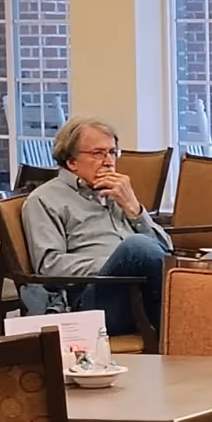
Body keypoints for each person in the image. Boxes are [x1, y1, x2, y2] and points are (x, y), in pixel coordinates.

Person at [21, 115, 172, 335]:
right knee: (136, 247)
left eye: (112, 152)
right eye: (98, 153)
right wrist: (115, 264)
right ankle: (182, 331)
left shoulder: (117, 194)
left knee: (149, 256)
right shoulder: (44, 200)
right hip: (88, 302)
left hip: (139, 292)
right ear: (71, 161)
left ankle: (183, 333)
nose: (109, 161)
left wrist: (135, 210)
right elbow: (49, 265)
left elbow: (167, 252)